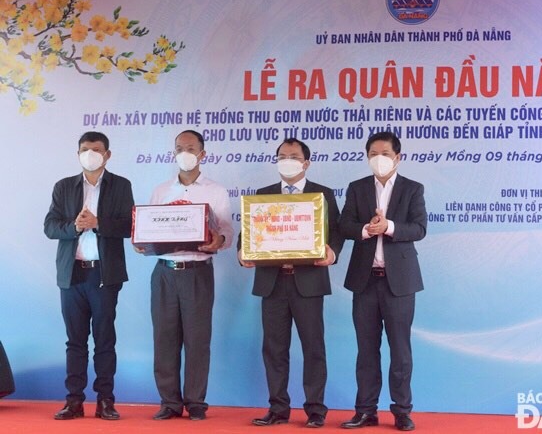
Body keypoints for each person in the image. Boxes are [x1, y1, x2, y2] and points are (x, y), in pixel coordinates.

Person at [238, 138, 343, 428]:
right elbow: (247, 234)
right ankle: (277, 408)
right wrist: (241, 251)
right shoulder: (263, 195)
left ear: (306, 162)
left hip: (308, 282)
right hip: (272, 283)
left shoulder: (322, 194)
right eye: (282, 156)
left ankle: (316, 409)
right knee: (274, 348)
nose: (287, 160)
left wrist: (332, 252)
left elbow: (336, 230)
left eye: (293, 156)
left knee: (313, 347)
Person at [135, 130, 233, 421]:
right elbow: (149, 229)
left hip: (197, 271)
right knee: (164, 338)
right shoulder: (160, 190)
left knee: (197, 339)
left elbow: (226, 231)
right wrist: (143, 241)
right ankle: (169, 402)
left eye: (190, 148)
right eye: (179, 148)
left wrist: (219, 241)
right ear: (173, 153)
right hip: (164, 272)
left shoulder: (216, 191)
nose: (184, 153)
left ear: (203, 154)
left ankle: (196, 403)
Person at [339, 131, 427, 432]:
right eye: (373, 153)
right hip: (365, 281)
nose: (379, 158)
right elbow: (344, 225)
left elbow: (419, 228)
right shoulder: (357, 188)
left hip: (399, 283)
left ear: (397, 157)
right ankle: (366, 410)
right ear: (367, 157)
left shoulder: (412, 189)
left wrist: (388, 226)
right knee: (366, 349)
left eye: (385, 153)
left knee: (400, 350)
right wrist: (366, 228)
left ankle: (401, 410)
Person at [44, 131, 134, 421]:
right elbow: (50, 227)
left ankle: (105, 400)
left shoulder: (121, 185)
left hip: (104, 275)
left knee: (105, 340)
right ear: (78, 153)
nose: (90, 154)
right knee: (75, 341)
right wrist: (75, 226)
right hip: (72, 275)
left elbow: (129, 226)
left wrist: (98, 224)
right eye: (85, 149)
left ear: (107, 155)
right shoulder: (64, 186)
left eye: (96, 149)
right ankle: (74, 401)